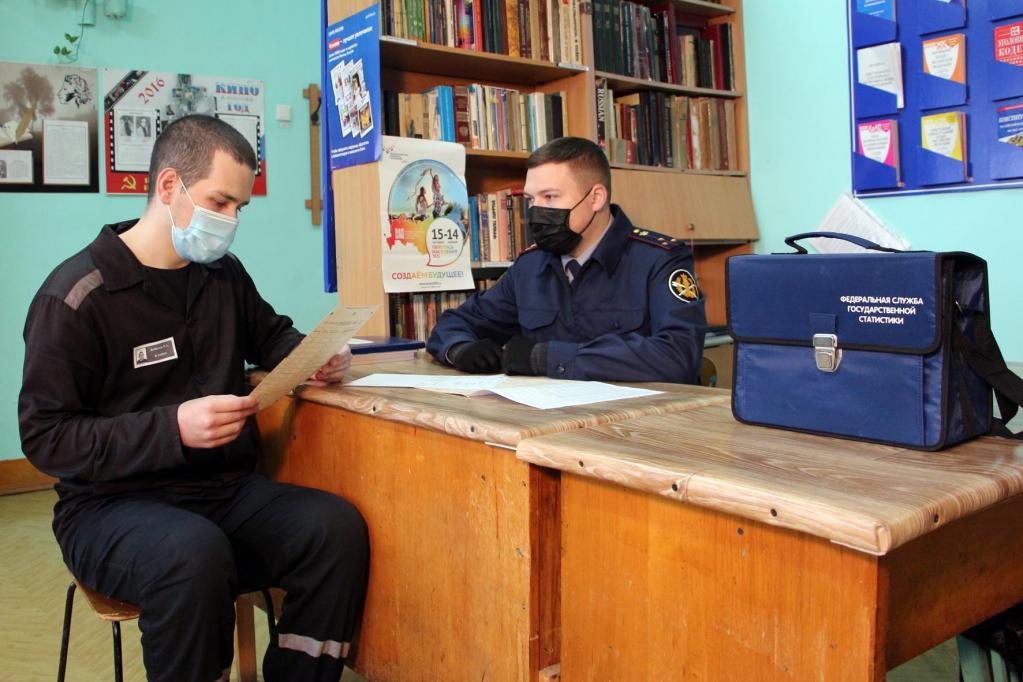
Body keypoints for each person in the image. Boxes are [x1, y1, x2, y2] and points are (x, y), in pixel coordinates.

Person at [19, 115, 369, 682]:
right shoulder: (76, 297)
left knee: (334, 529)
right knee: (192, 556)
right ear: (168, 186)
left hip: (222, 492)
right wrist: (172, 429)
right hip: (108, 507)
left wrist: (314, 354)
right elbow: (45, 438)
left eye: (240, 208)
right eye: (220, 202)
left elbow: (271, 335)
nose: (231, 221)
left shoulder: (222, 274)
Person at [426, 136, 706, 384]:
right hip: (550, 418)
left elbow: (678, 356)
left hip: (638, 420)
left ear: (596, 198)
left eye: (550, 197)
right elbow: (455, 322)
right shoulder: (531, 267)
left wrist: (545, 358)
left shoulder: (659, 260)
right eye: (531, 199)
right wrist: (459, 349)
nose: (536, 211)